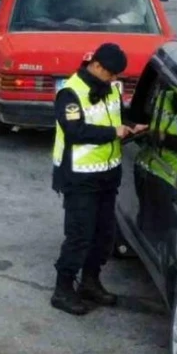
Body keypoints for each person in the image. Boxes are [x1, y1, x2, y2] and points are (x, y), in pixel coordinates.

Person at [49, 43, 147, 316]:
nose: (115, 79)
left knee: (104, 235)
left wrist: (131, 124)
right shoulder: (69, 93)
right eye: (112, 73)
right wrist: (113, 132)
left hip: (107, 175)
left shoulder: (112, 88)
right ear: (97, 66)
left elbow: (116, 114)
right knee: (79, 236)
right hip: (79, 178)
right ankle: (63, 289)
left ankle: (90, 282)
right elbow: (75, 131)